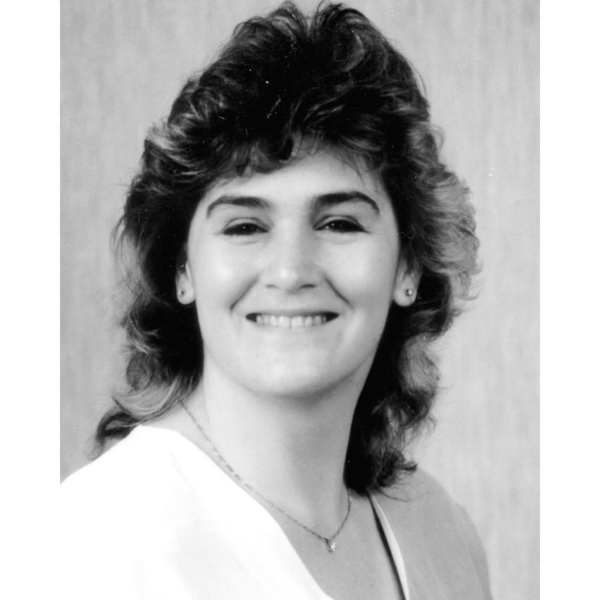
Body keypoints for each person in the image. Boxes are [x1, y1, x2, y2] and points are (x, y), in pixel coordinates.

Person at [59, 2, 492, 599]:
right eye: (244, 227)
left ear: (409, 266)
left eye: (339, 223)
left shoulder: (442, 533)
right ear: (183, 269)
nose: (290, 272)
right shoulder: (93, 544)